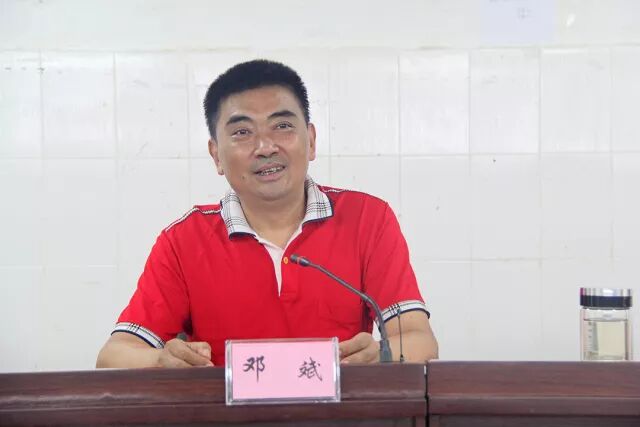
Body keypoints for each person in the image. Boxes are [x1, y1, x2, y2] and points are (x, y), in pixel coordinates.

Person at [96, 59, 438, 368]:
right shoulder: (183, 241)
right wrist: (159, 360)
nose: (265, 147)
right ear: (216, 155)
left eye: (282, 126)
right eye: (242, 132)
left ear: (311, 140)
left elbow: (419, 340)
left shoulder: (367, 218)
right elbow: (114, 356)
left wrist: (379, 355)